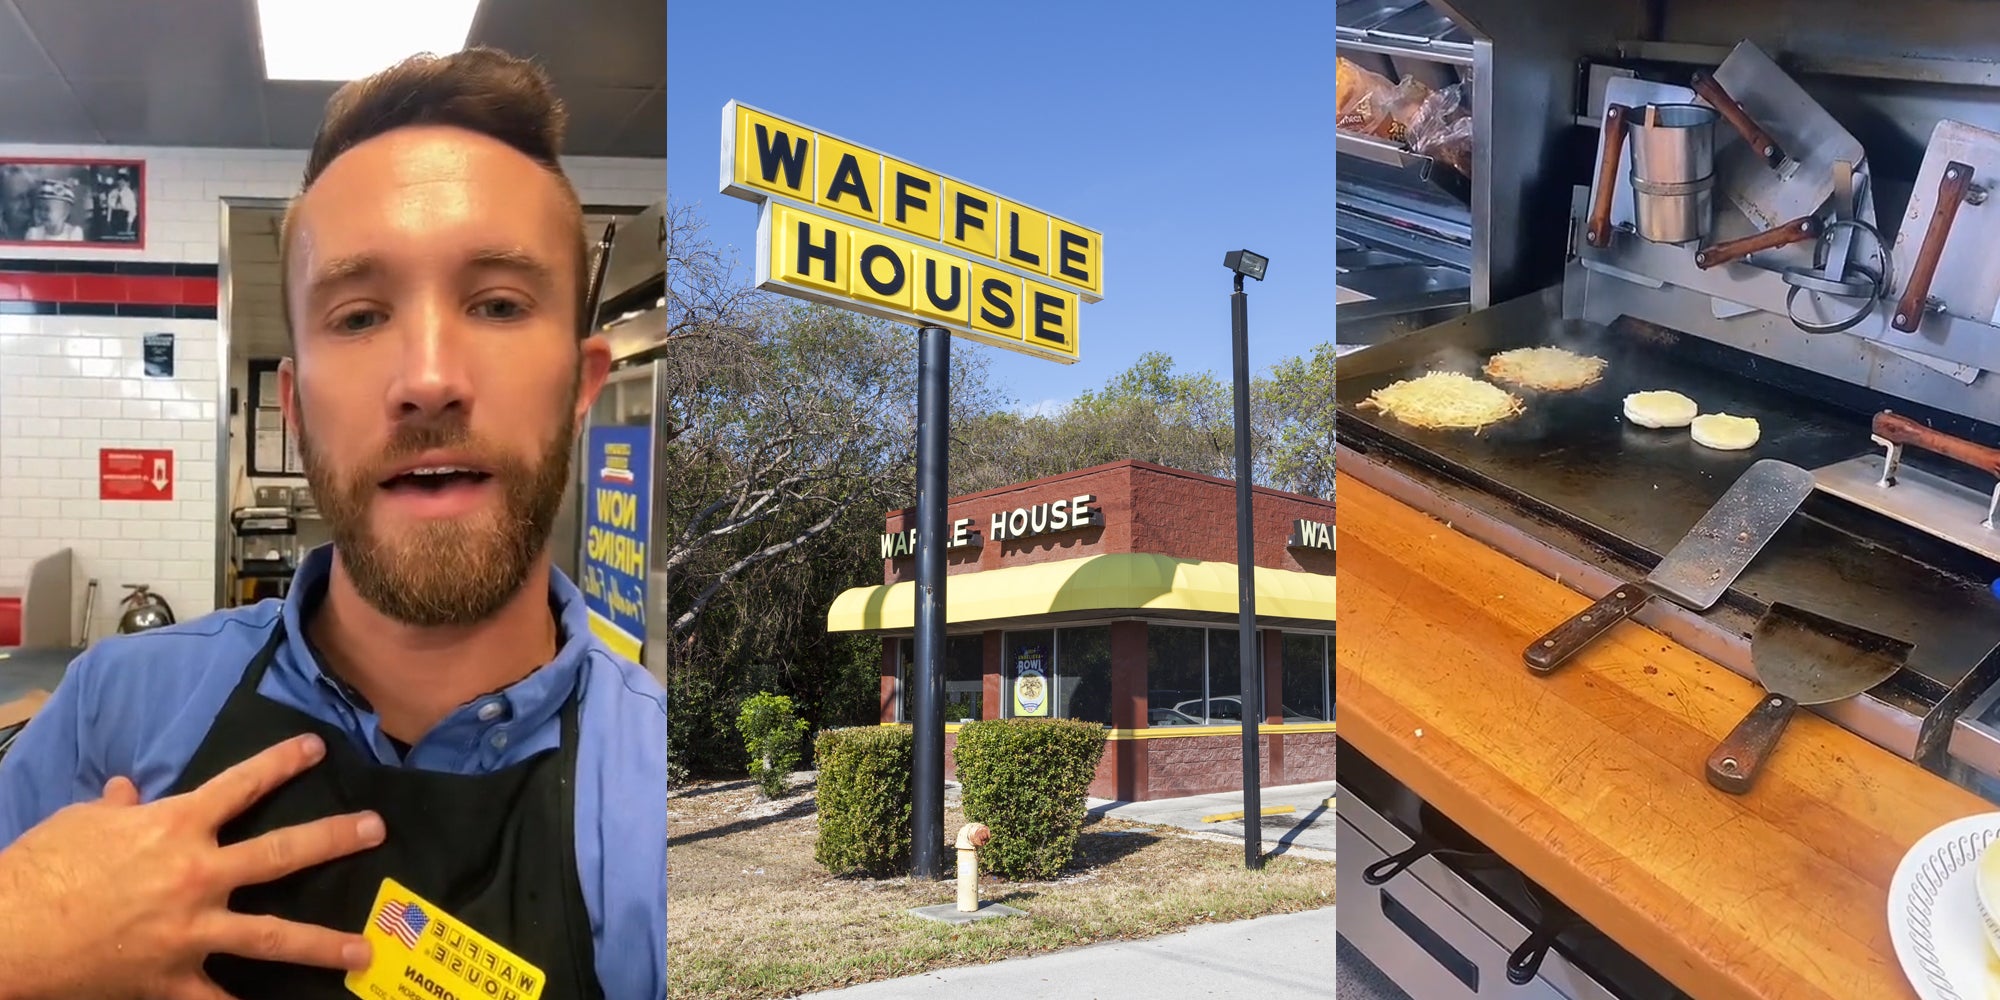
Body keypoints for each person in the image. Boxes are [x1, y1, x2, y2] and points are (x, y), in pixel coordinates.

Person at [0, 48, 666, 1000]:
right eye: (358, 317)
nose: (428, 378)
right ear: (297, 407)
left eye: (497, 303)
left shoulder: (655, 794)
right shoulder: (110, 713)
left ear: (581, 386)